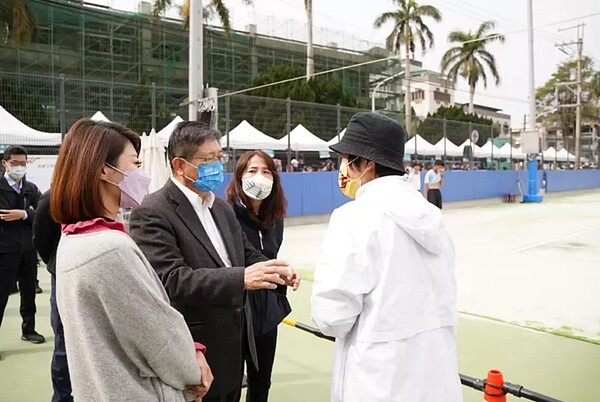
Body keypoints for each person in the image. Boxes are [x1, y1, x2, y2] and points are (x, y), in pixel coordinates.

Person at [129, 121, 299, 402]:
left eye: (219, 158)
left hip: (236, 349)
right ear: (179, 165)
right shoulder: (153, 212)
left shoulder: (219, 207)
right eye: (207, 160)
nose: (216, 166)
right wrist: (241, 278)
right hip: (196, 353)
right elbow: (171, 279)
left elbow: (245, 254)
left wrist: (276, 270)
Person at [50, 119, 212, 401]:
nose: (142, 173)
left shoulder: (74, 238)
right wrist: (191, 364)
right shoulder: (110, 248)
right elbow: (159, 338)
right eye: (135, 163)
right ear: (104, 170)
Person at [311, 112, 461, 402]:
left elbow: (333, 317)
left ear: (367, 164)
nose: (341, 168)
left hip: (377, 381)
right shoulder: (433, 218)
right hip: (435, 379)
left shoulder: (352, 218)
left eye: (345, 159)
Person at [225, 151, 300, 402]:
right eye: (252, 171)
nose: (260, 177)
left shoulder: (275, 218)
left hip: (266, 310)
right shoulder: (226, 214)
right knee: (231, 381)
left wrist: (284, 274)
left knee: (261, 380)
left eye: (266, 171)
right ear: (239, 177)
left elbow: (270, 257)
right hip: (235, 310)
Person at [0, 145, 45, 351]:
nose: (19, 167)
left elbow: (43, 214)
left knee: (29, 292)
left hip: (28, 249)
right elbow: (3, 215)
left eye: (23, 163)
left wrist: (24, 214)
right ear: (5, 163)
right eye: (14, 163)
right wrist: (27, 212)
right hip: (4, 249)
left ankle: (29, 330)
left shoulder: (32, 189)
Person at [33, 190, 73, 401]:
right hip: (63, 275)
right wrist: (56, 263)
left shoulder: (99, 192)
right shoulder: (54, 198)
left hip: (92, 274)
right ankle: (62, 397)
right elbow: (41, 238)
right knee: (64, 341)